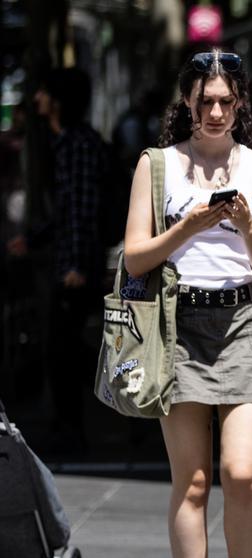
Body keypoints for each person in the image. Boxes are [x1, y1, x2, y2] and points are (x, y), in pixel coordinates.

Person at [121, 49, 252, 558]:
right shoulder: (157, 166)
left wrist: (244, 226)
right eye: (204, 100)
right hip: (177, 325)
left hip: (243, 322)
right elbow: (138, 257)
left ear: (240, 102)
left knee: (242, 474)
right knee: (192, 480)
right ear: (186, 102)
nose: (215, 111)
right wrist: (188, 227)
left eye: (226, 100)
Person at [33, 67, 108, 456]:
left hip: (77, 264)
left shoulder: (77, 145)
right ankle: (75, 423)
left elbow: (81, 209)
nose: (36, 100)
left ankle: (76, 427)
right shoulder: (66, 143)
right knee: (65, 346)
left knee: (65, 348)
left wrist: (76, 265)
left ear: (58, 100)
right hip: (70, 257)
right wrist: (34, 238)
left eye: (43, 92)